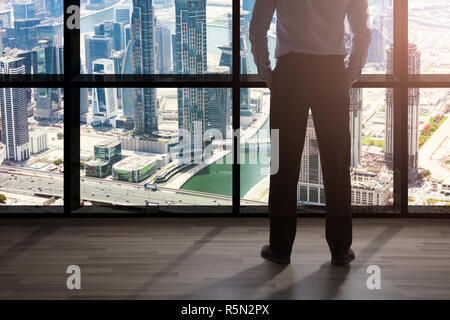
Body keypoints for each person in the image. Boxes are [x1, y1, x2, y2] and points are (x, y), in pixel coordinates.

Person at [249, 0, 371, 265]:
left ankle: (280, 248)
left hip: (291, 73)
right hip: (331, 73)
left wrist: (267, 73)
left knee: (282, 165)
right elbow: (362, 32)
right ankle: (340, 249)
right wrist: (350, 73)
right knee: (337, 164)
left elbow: (257, 29)